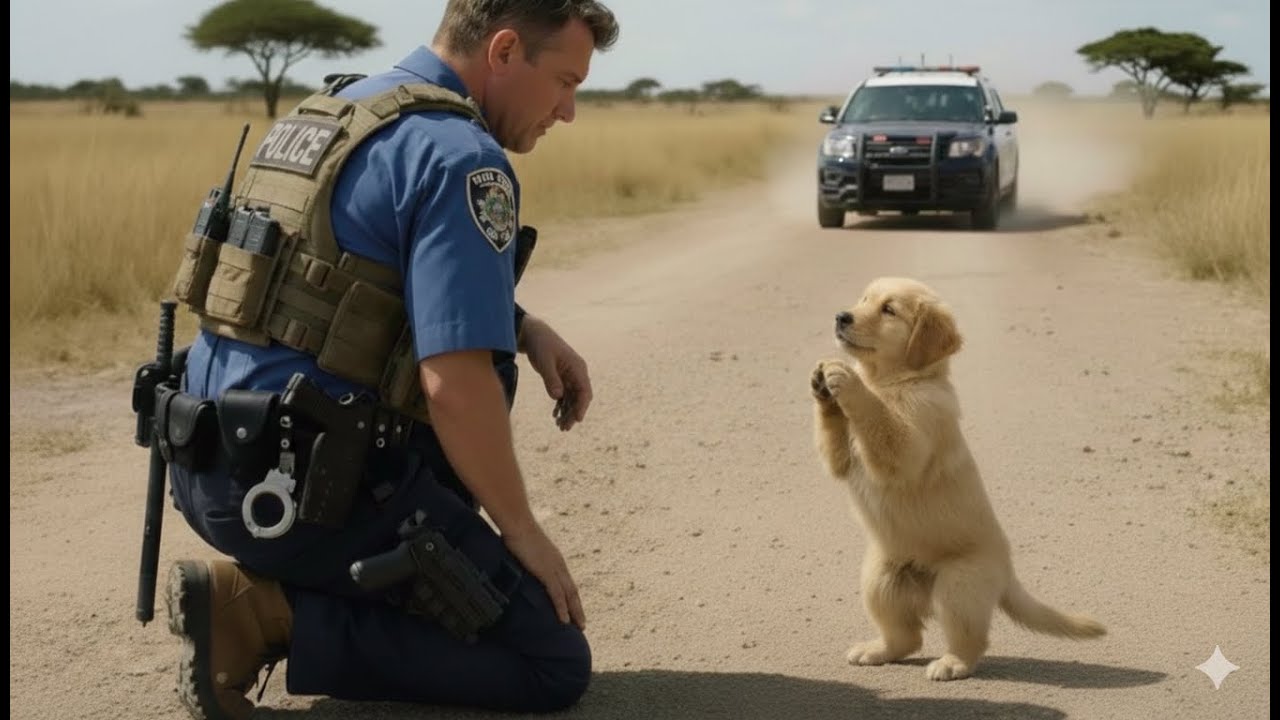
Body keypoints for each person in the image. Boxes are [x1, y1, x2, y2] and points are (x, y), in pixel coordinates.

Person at [158, 2, 619, 718]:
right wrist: (523, 531)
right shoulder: (463, 157)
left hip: (206, 468)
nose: (568, 112)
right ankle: (264, 613)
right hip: (309, 496)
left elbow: (339, 282)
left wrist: (523, 327)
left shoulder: (338, 110)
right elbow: (454, 383)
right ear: (502, 51)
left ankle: (284, 589)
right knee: (549, 663)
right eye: (564, 81)